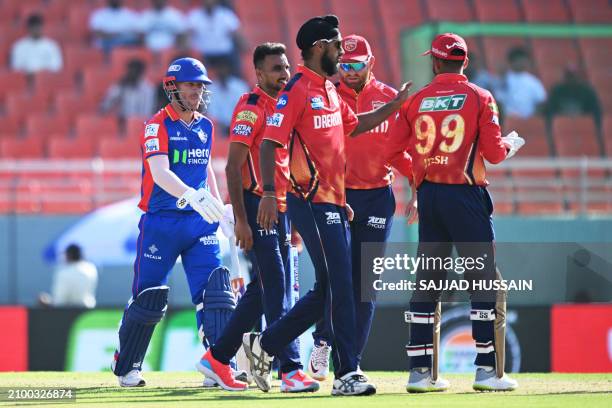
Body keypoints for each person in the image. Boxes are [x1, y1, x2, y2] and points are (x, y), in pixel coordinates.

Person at [241, 15, 411, 396]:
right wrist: (270, 193)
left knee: (331, 288)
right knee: (343, 284)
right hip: (309, 200)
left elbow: (356, 125)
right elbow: (270, 143)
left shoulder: (329, 91)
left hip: (333, 202)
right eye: (336, 45)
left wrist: (396, 104)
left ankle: (264, 345)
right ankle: (348, 372)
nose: (340, 51)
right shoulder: (298, 89)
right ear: (319, 48)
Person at [384, 33, 524, 392]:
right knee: (482, 281)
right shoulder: (480, 97)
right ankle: (487, 371)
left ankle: (419, 373)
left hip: (431, 196)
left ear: (434, 62)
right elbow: (493, 154)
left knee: (427, 282)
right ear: (465, 61)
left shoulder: (416, 101)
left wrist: (418, 177)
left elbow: (389, 149)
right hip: (466, 197)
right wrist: (509, 144)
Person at [197, 42, 318, 393]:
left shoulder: (281, 106)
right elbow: (233, 167)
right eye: (276, 69)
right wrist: (243, 221)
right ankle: (290, 369)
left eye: (285, 68)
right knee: (278, 288)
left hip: (278, 207)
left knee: (263, 289)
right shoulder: (250, 108)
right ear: (259, 73)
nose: (284, 74)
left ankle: (217, 358)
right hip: (256, 207)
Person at [111, 57, 233, 388]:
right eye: (192, 85)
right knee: (148, 297)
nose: (198, 91)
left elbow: (206, 168)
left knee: (216, 293)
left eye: (201, 86)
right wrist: (192, 195)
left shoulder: (206, 126)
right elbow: (160, 172)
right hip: (161, 223)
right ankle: (127, 364)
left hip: (198, 224)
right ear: (172, 88)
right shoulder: (156, 126)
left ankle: (219, 363)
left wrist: (220, 208)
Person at [307, 34, 415, 381]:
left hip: (376, 197)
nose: (350, 72)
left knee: (367, 285)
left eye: (357, 65)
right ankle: (323, 341)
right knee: (337, 278)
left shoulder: (390, 98)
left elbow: (400, 151)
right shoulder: (328, 96)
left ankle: (351, 361)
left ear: (371, 63)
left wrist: (418, 185)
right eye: (344, 65)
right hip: (335, 198)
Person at [187, 0, 246, 75]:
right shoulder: (194, 15)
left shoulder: (226, 14)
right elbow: (187, 35)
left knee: (237, 60)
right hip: (203, 55)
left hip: (224, 54)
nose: (208, 2)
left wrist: (243, 46)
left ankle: (235, 83)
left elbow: (236, 34)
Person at [39, 244, 98, 308]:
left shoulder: (64, 273)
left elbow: (60, 300)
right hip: (88, 310)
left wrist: (47, 302)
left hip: (69, 313)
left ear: (69, 255)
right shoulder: (91, 269)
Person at [545, 64, 602, 129]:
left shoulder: (587, 91)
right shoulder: (557, 90)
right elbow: (549, 112)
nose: (572, 79)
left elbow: (596, 113)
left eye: (574, 76)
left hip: (583, 127)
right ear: (565, 77)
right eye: (569, 76)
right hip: (562, 126)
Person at [496, 46, 546, 119]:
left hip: (529, 121)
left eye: (523, 60)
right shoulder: (504, 79)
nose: (522, 63)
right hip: (508, 121)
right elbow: (498, 101)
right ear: (512, 62)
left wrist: (533, 119)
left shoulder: (533, 81)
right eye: (518, 60)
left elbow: (541, 102)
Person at [206, 56, 250, 137]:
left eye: (224, 68)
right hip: (219, 129)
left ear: (229, 69)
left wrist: (234, 125)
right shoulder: (210, 88)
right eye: (219, 68)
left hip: (239, 126)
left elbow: (245, 109)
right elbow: (212, 113)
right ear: (216, 70)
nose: (222, 71)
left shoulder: (240, 86)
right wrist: (222, 125)